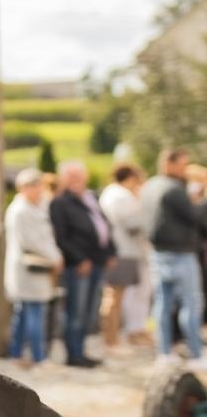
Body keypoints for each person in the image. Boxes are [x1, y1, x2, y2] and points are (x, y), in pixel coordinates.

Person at [48, 160, 115, 368]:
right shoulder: (60, 203)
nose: (77, 180)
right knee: (76, 312)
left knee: (89, 311)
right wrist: (79, 259)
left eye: (79, 175)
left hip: (97, 262)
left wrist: (111, 252)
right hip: (79, 266)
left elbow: (103, 226)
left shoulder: (91, 197)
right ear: (64, 179)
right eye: (72, 176)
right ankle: (74, 355)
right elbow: (62, 237)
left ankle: (82, 350)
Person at [142, 148, 205, 366]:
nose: (185, 169)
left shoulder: (150, 185)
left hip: (157, 252)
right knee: (191, 303)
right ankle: (196, 353)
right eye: (182, 164)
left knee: (163, 303)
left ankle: (164, 351)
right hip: (180, 253)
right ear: (169, 163)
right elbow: (195, 216)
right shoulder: (174, 190)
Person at [4, 168, 60, 365]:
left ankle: (16, 353)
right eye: (33, 186)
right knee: (35, 312)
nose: (38, 190)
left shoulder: (36, 207)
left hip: (35, 269)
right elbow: (32, 241)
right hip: (28, 270)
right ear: (23, 188)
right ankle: (39, 357)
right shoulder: (20, 211)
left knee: (23, 312)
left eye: (39, 186)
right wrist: (55, 257)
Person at [97, 163, 147, 350]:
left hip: (122, 250)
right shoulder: (120, 196)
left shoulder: (113, 193)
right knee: (114, 297)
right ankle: (110, 340)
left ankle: (112, 338)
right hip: (122, 250)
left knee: (116, 297)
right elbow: (132, 223)